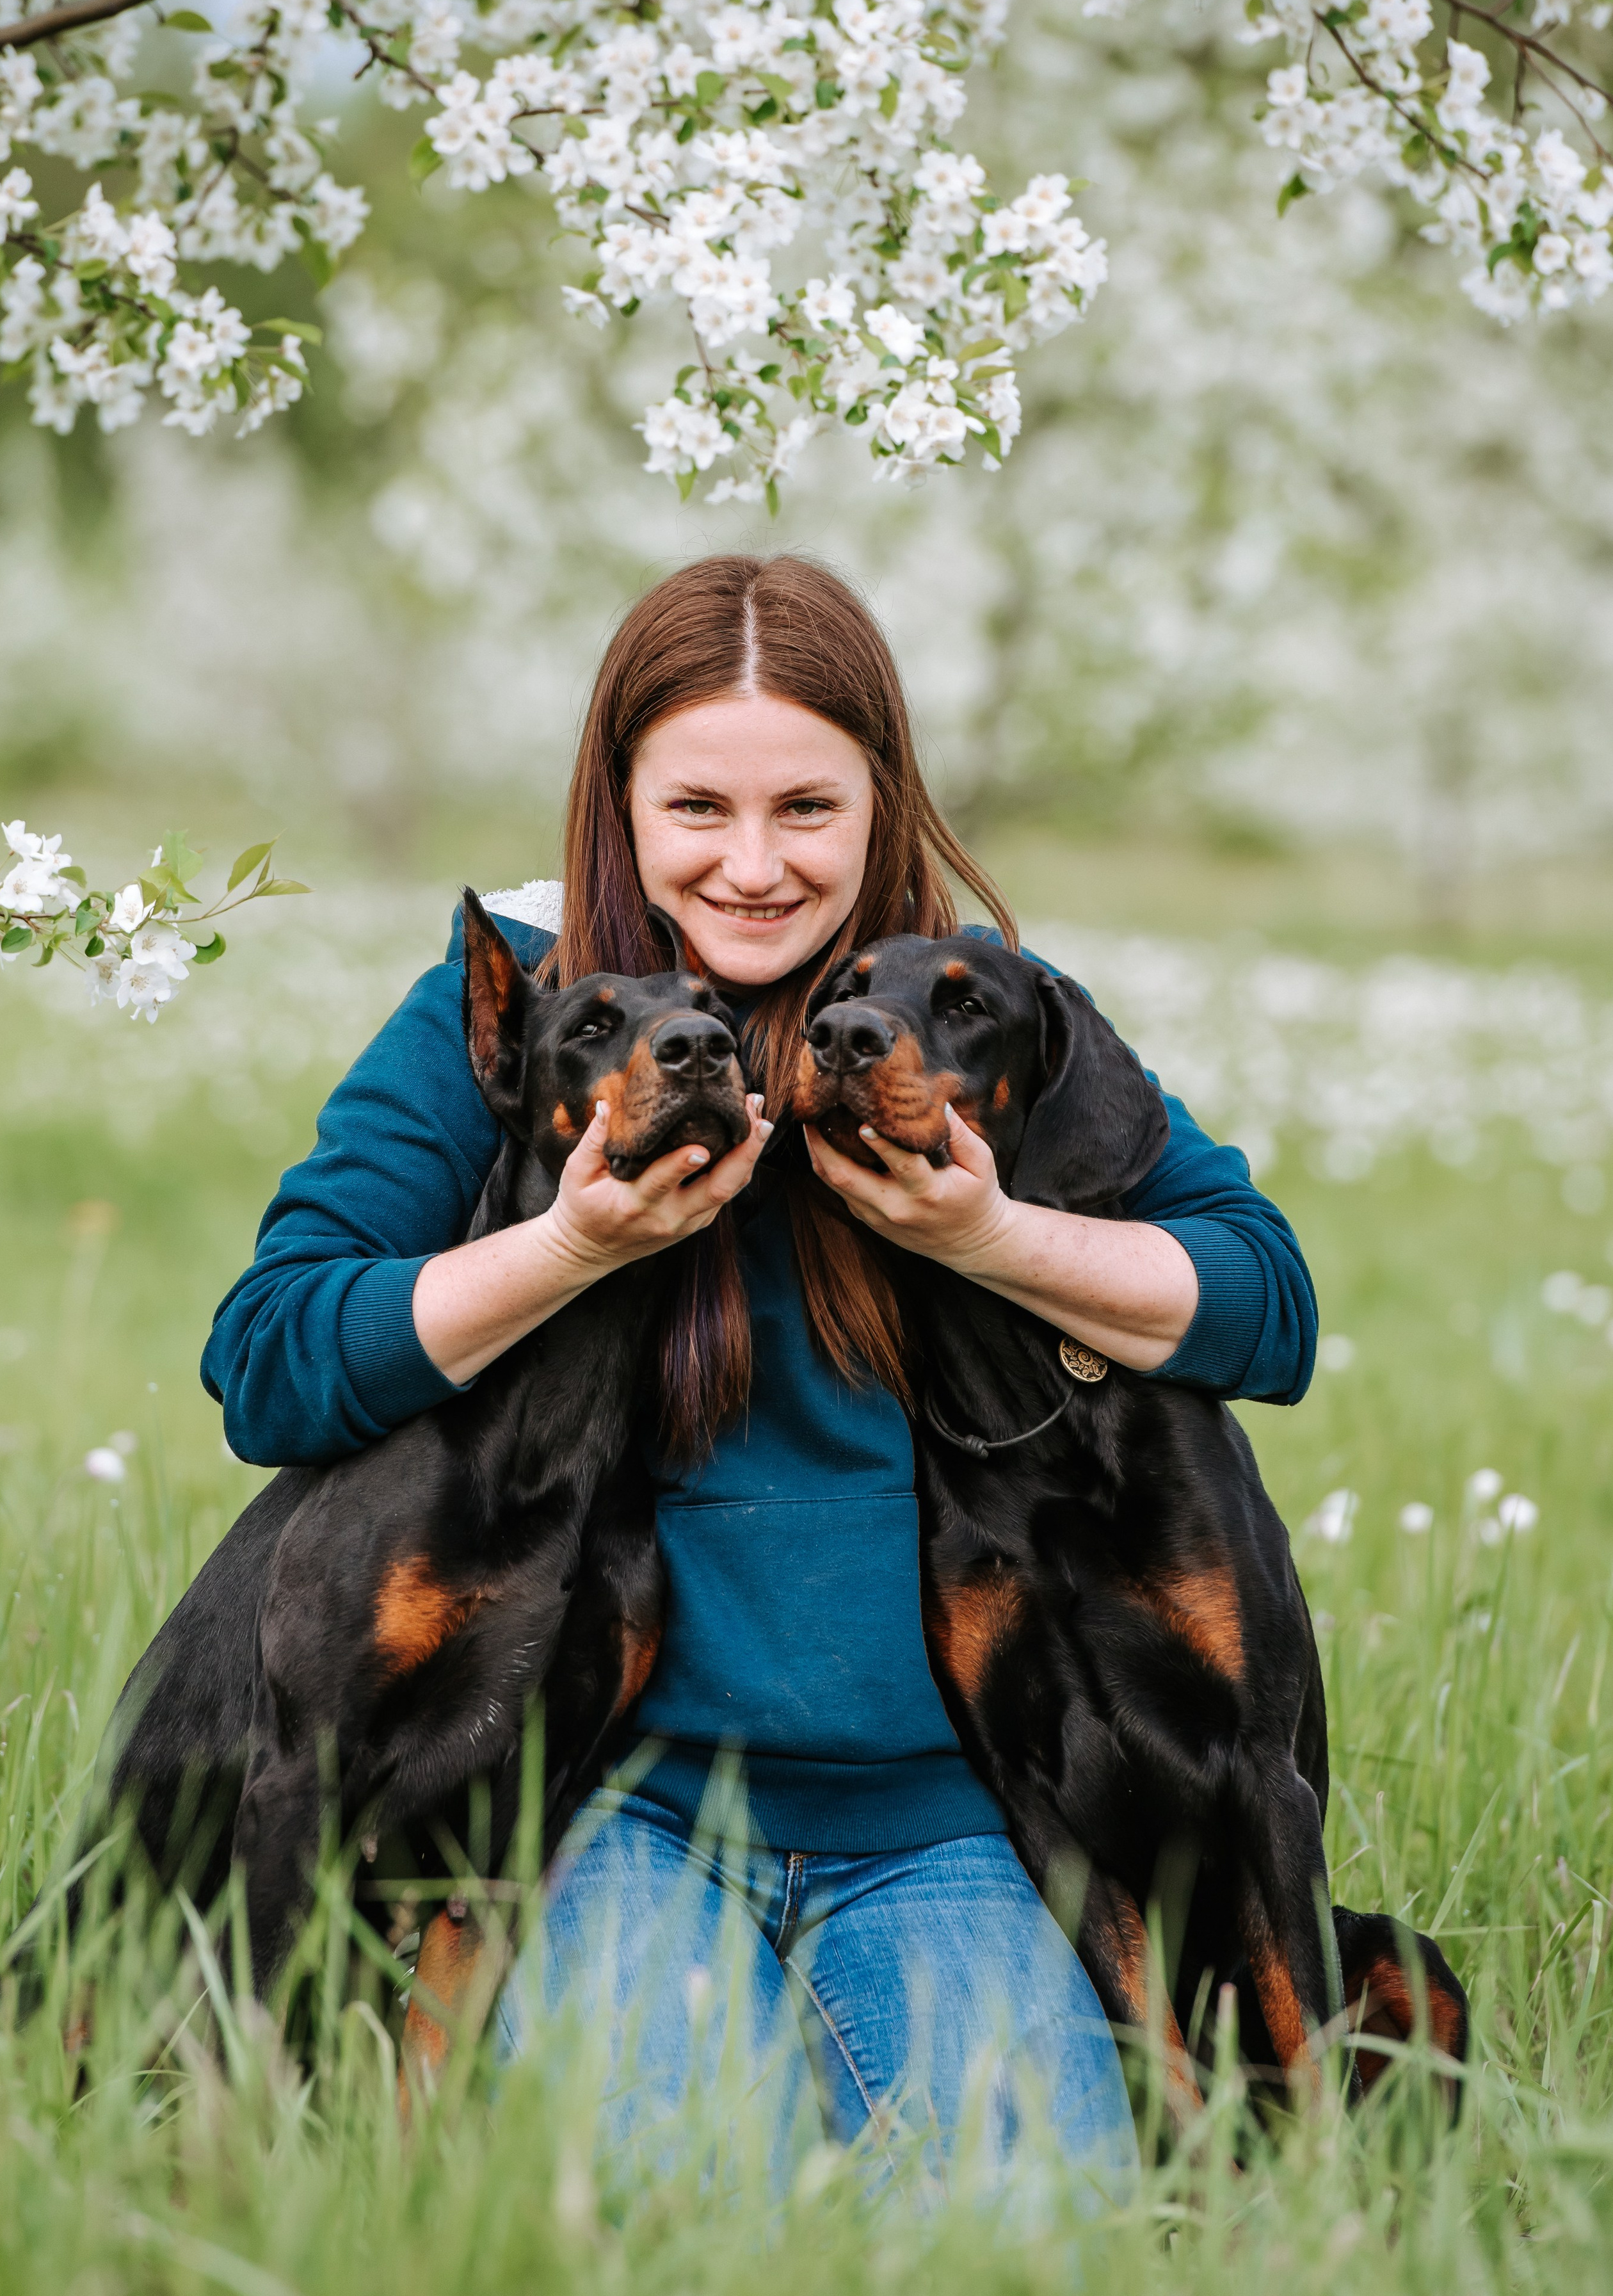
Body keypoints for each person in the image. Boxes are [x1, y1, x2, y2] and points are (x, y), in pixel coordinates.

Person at [204, 554, 1316, 2199]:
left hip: (943, 1833)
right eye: (696, 807)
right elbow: (271, 1355)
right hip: (611, 1821)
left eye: (806, 804)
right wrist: (568, 1248)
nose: (748, 865)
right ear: (620, 801)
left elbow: (1263, 1302)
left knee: (1026, 2223)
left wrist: (992, 1236)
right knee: (682, 2200)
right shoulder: (517, 1011)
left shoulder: (953, 1013)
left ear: (882, 798)